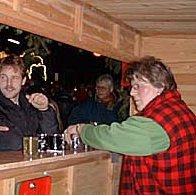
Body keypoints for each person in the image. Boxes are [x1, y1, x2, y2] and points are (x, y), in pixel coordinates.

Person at [65, 56, 196, 194]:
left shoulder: (155, 122)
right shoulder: (180, 110)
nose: (132, 93)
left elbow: (112, 137)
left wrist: (81, 129)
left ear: (160, 86)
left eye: (137, 86)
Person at [0, 54, 58, 151]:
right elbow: (12, 143)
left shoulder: (31, 105)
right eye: (4, 77)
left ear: (23, 81)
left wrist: (44, 110)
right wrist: (41, 142)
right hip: (3, 165)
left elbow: (51, 138)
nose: (9, 84)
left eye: (14, 78)